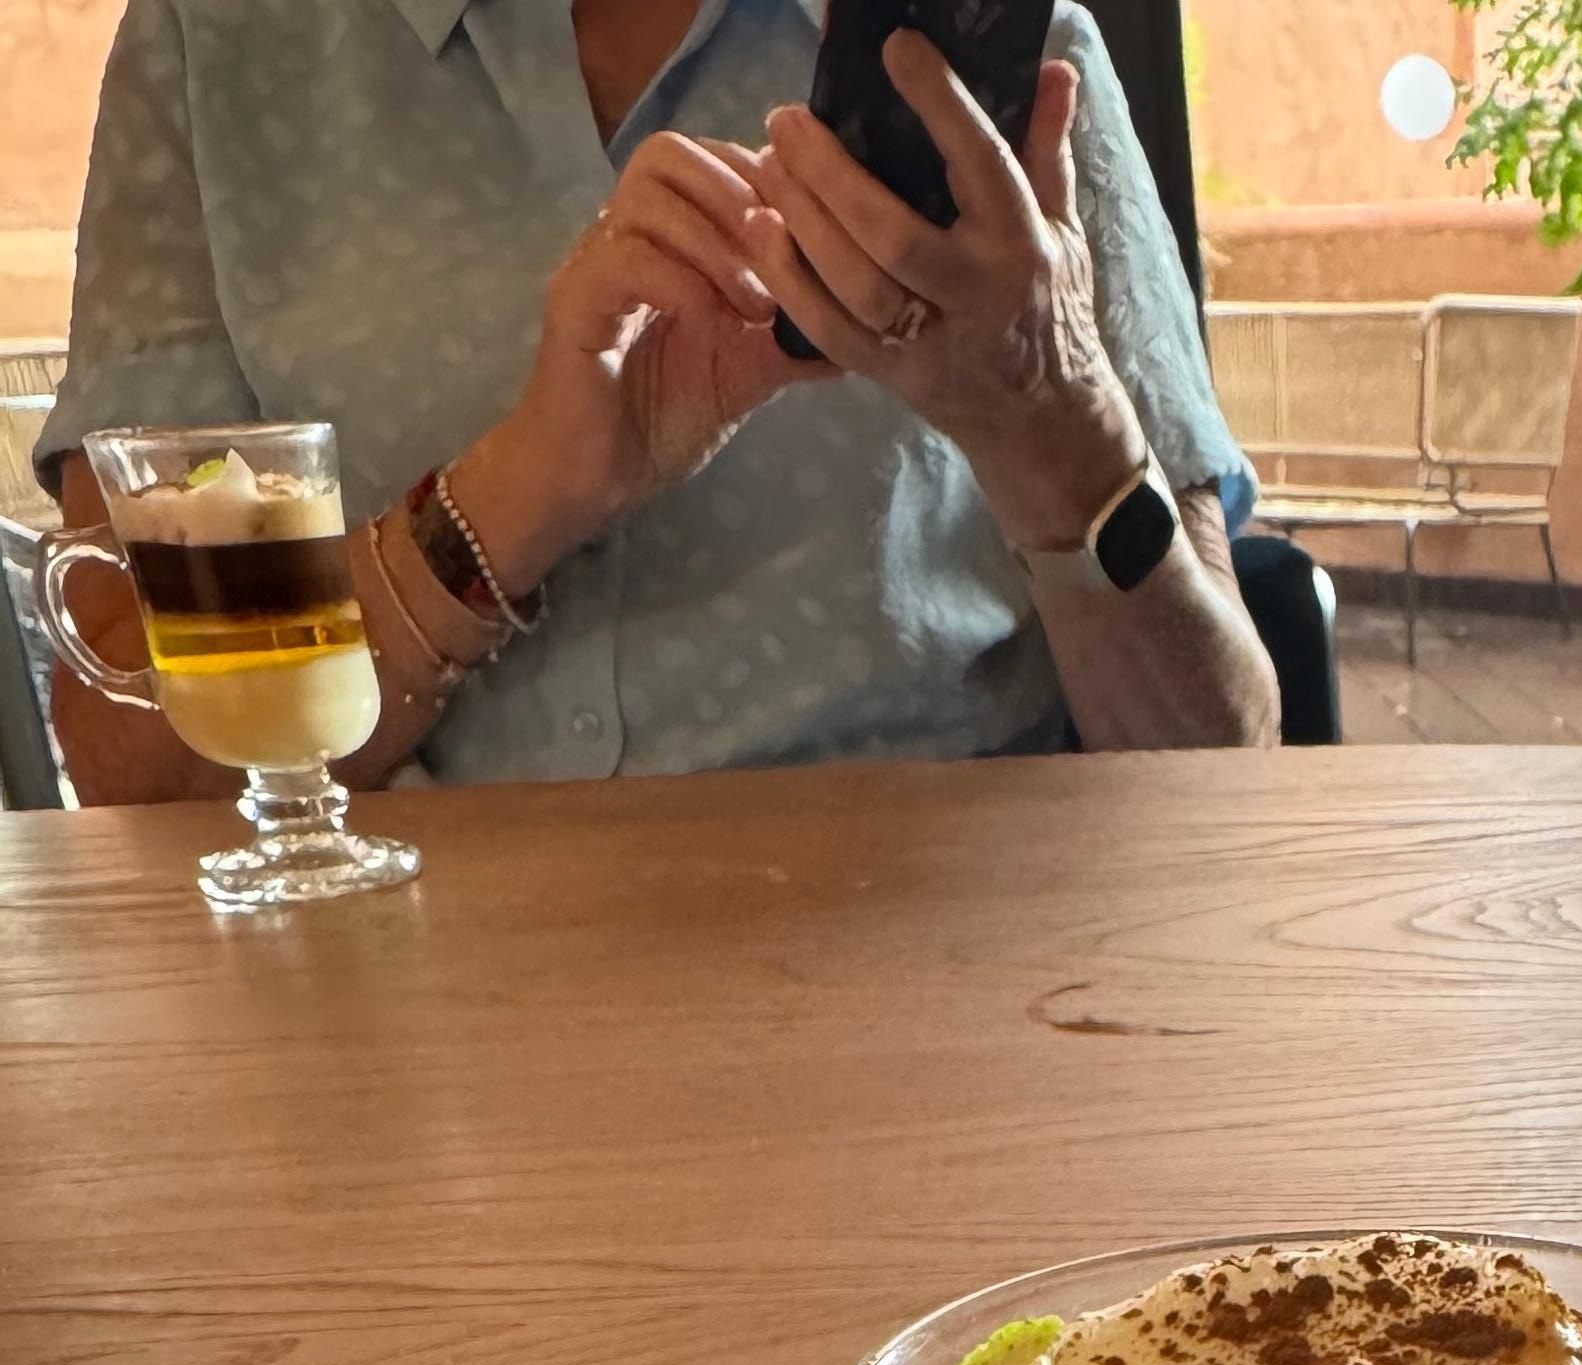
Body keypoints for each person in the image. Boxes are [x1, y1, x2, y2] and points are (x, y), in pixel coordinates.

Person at [38, 0, 1275, 803]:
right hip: (401, 1014)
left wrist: (1047, 408)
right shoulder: (215, 51)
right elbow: (131, 758)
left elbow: (1221, 755)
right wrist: (526, 492)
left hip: (946, 985)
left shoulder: (1012, 63)